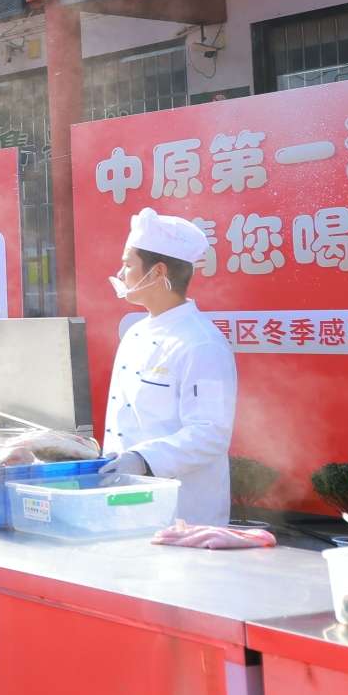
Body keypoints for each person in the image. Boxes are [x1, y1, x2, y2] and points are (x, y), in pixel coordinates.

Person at [101, 208, 240, 526]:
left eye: (128, 264)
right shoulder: (135, 333)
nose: (121, 274)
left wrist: (142, 459)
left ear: (157, 272)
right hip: (129, 506)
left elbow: (210, 433)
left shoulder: (201, 343)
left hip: (184, 516)